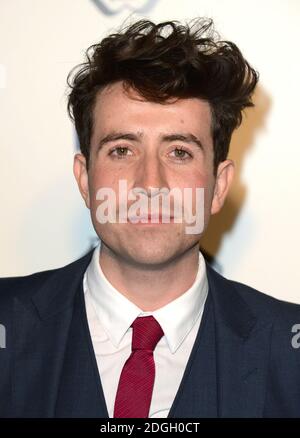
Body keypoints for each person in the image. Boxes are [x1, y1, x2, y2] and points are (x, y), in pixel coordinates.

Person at [0, 18, 299, 418]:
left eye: (179, 152)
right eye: (122, 150)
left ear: (219, 186)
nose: (149, 183)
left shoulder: (288, 352)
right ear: (85, 180)